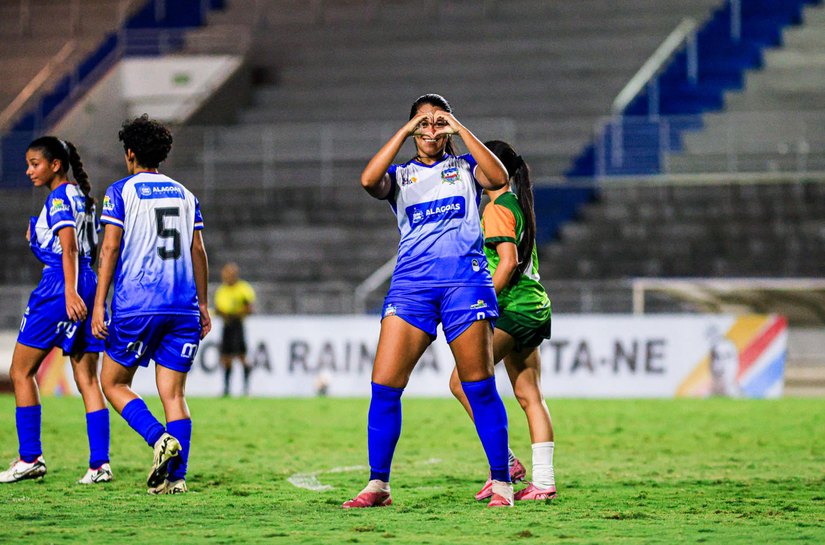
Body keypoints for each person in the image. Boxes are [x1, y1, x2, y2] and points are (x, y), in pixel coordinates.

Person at [343, 94, 515, 508]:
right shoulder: (399, 176)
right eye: (423, 124)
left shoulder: (466, 168)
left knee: (480, 387)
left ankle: (502, 483)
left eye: (438, 124)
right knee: (384, 387)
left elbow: (499, 177)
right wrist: (404, 130)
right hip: (411, 288)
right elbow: (368, 180)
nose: (430, 131)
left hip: (465, 285)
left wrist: (459, 126)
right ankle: (378, 485)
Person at [91, 114, 210, 495]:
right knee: (174, 394)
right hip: (183, 306)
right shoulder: (185, 194)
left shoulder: (120, 192)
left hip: (139, 303)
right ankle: (176, 479)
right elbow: (198, 250)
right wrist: (203, 306)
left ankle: (158, 439)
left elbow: (110, 248)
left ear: (130, 153)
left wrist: (98, 305)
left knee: (112, 382)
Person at [449, 140, 556, 501]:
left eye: (479, 163)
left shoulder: (496, 208)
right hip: (534, 305)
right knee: (530, 395)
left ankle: (506, 462)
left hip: (511, 307)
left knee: (463, 381)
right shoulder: (517, 204)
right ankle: (543, 481)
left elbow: (507, 262)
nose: (474, 170)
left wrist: (482, 301)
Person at [0, 137, 111, 485]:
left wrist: (68, 292)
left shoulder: (59, 196)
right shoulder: (82, 197)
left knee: (20, 372)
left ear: (55, 165)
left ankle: (29, 457)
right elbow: (80, 246)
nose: (29, 170)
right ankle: (99, 465)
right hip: (88, 282)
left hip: (60, 287)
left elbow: (69, 248)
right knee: (87, 379)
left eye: (35, 163)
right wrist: (39, 242)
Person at [215, 262, 256, 396]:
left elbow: (249, 308)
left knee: (241, 356)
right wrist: (222, 313)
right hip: (227, 326)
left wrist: (234, 313)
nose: (228, 276)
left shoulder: (243, 288)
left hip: (237, 325)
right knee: (226, 358)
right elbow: (218, 309)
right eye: (226, 274)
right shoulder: (221, 290)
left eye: (230, 274)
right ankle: (227, 389)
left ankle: (246, 388)